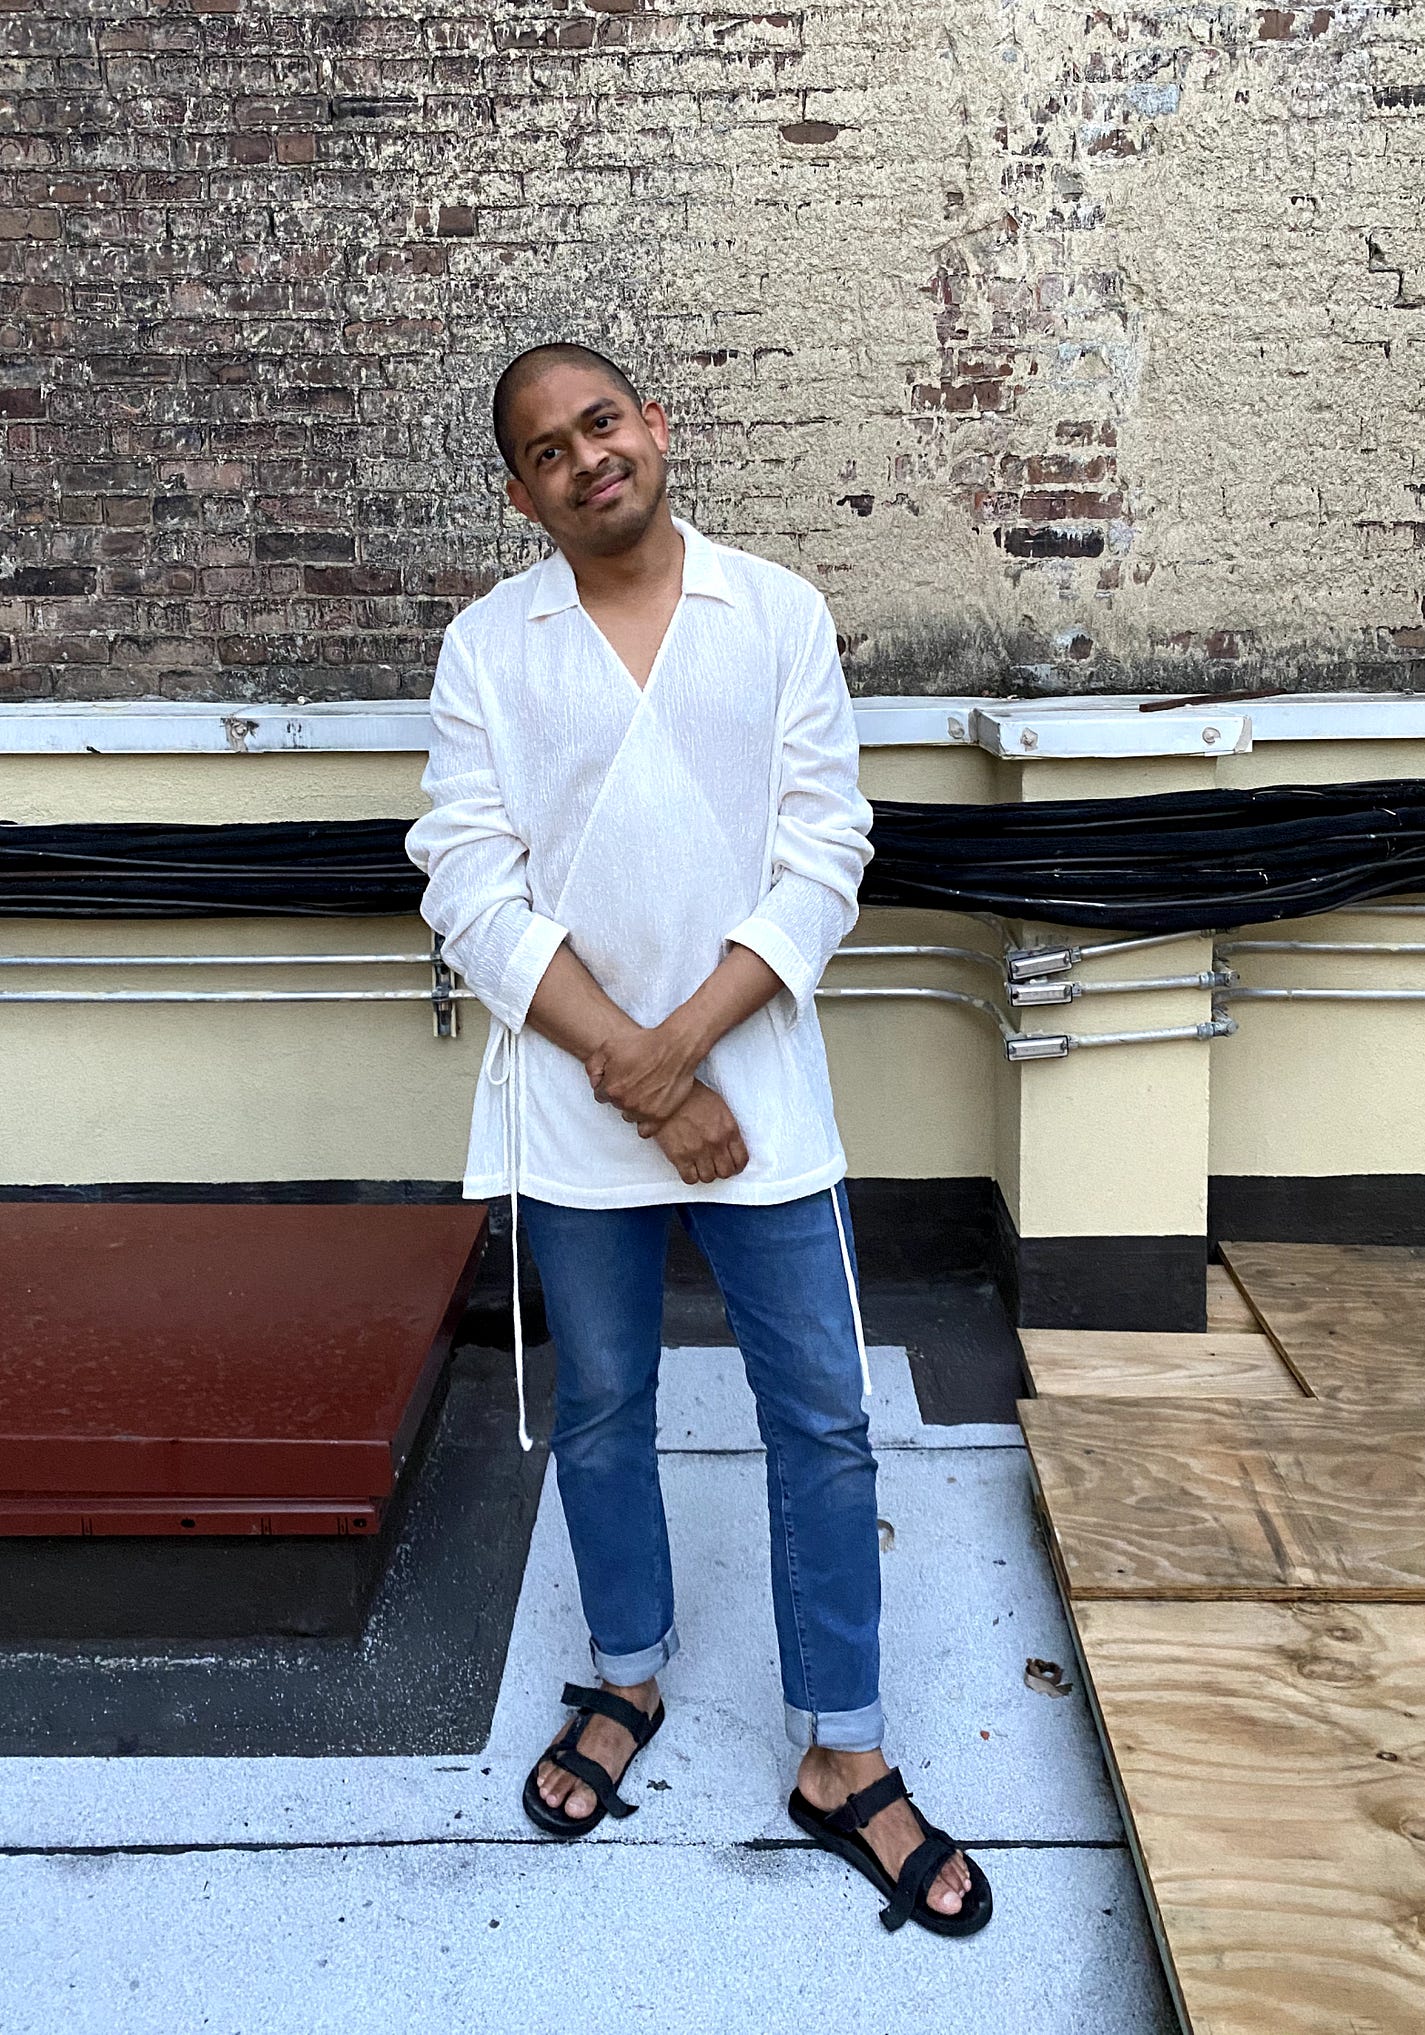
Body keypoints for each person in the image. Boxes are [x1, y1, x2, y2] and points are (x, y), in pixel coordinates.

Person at [403, 342, 992, 1937]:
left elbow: (825, 854)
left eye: (602, 422)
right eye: (545, 449)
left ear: (655, 428)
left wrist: (681, 1054)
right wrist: (634, 1072)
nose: (585, 458)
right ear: (519, 492)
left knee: (822, 1416)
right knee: (601, 1406)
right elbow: (467, 876)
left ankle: (844, 1752)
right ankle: (628, 1678)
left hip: (764, 1104)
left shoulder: (776, 615)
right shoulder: (488, 649)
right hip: (580, 1109)